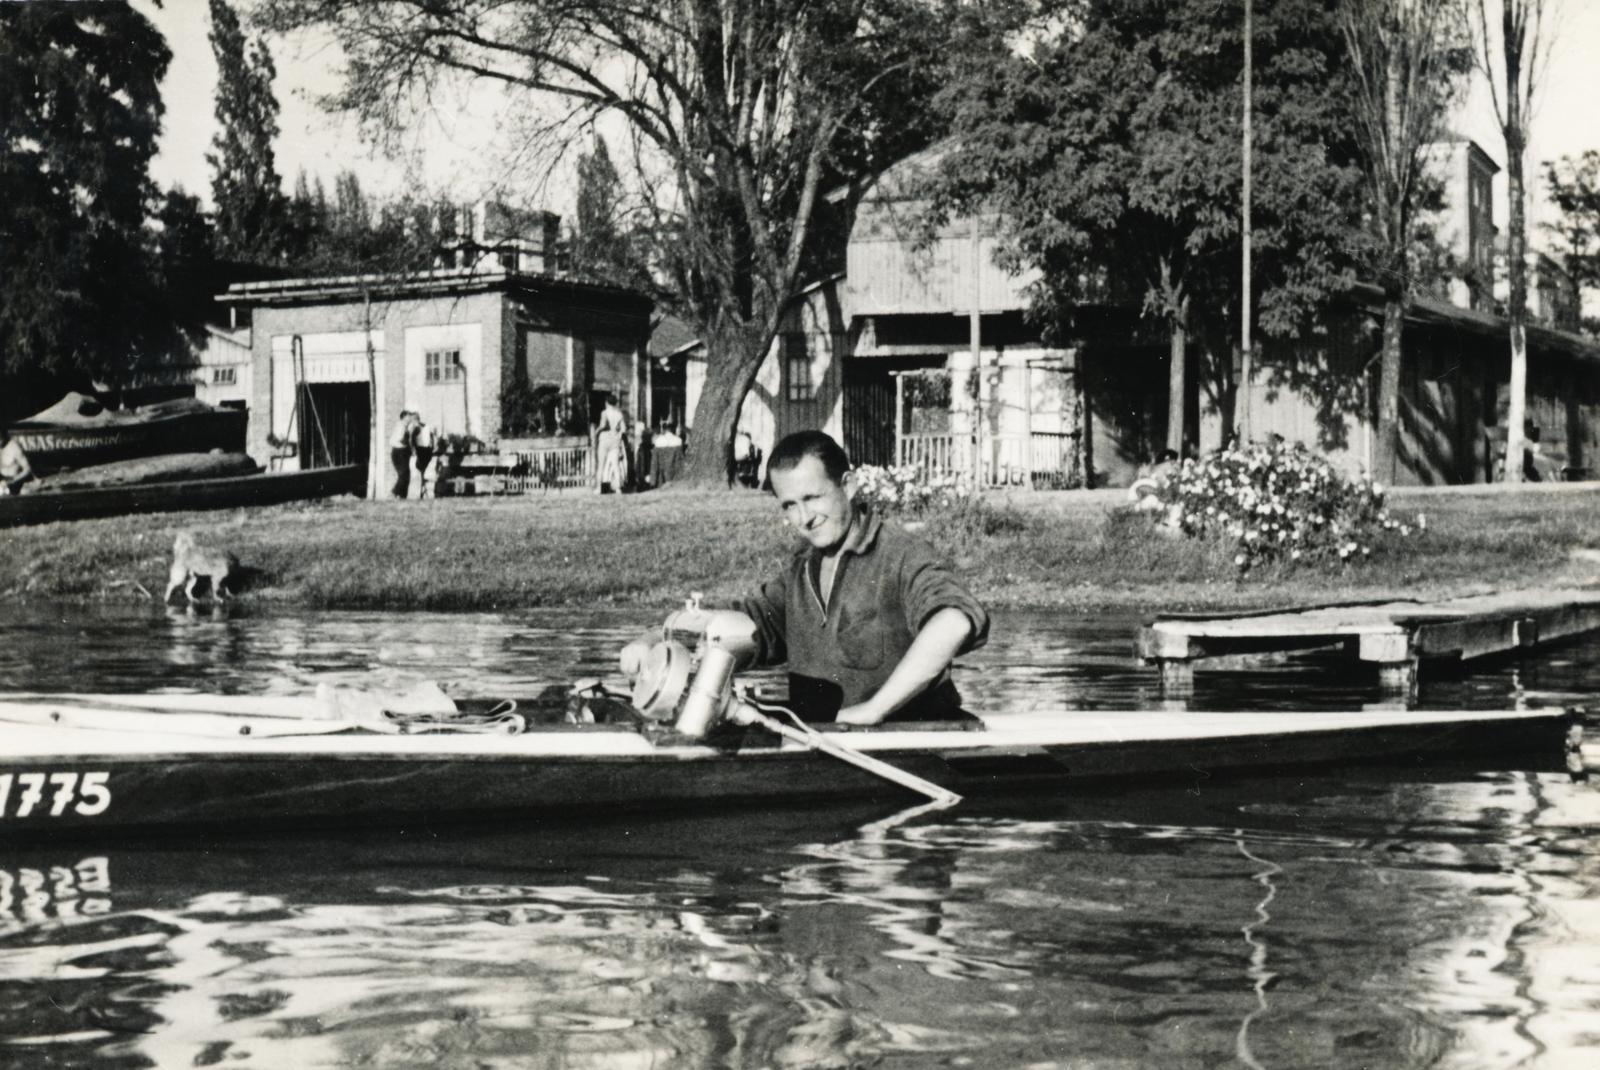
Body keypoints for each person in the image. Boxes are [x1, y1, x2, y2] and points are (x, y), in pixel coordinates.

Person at [736, 430, 989, 725]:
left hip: (907, 746)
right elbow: (754, 624)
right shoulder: (801, 567)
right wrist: (690, 629)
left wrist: (874, 710)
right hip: (819, 749)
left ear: (848, 485)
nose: (804, 518)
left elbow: (954, 622)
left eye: (813, 497)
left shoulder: (902, 554)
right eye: (790, 505)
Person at [594, 393, 628, 493]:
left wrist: (596, 431)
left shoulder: (604, 413)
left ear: (607, 403)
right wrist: (617, 433)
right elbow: (624, 429)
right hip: (615, 440)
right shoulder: (619, 414)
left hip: (604, 439)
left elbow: (603, 425)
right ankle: (618, 488)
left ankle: (599, 488)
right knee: (615, 465)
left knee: (601, 465)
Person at [389, 410, 417, 499]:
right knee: (403, 474)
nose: (410, 419)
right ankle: (394, 493)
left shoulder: (405, 426)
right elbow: (401, 439)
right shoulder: (401, 426)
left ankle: (402, 496)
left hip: (402, 452)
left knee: (406, 474)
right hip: (399, 452)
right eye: (408, 416)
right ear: (404, 417)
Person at [0, 428, 36, 496]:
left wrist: (12, 481)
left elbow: (28, 469)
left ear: (3, 436)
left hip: (15, 483)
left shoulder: (14, 448)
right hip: (2, 483)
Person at [412, 417, 436, 497]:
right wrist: (414, 449)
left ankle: (423, 489)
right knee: (421, 470)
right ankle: (421, 490)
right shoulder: (417, 428)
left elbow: (432, 437)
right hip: (420, 449)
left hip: (426, 450)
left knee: (423, 470)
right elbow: (412, 439)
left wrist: (433, 447)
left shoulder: (427, 428)